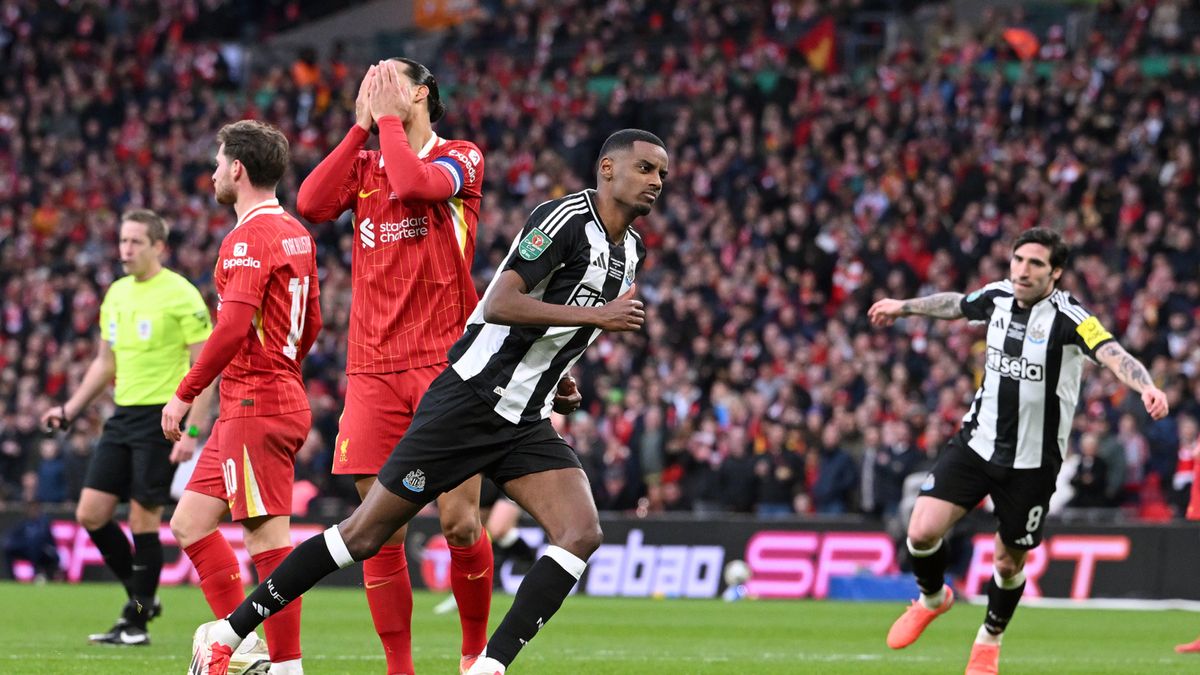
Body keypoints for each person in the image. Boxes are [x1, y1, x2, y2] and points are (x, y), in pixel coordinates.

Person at [188, 128, 667, 675]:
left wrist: (559, 375)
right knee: (365, 533)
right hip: (468, 403)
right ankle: (227, 633)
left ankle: (487, 667)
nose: (656, 182)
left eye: (662, 175)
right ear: (607, 170)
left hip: (524, 418)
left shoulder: (631, 250)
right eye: (647, 169)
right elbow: (502, 301)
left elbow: (559, 319)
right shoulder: (561, 221)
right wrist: (596, 318)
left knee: (581, 532)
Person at [867, 227, 1169, 674]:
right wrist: (904, 307)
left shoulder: (1070, 317)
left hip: (1032, 463)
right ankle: (933, 598)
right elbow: (956, 304)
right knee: (921, 532)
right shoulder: (998, 296)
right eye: (1018, 260)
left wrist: (1145, 385)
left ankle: (989, 639)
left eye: (1035, 264)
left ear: (1056, 272)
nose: (1023, 270)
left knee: (1008, 563)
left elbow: (1111, 352)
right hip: (977, 443)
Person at [294, 58, 491, 675]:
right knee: (377, 530)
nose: (375, 92)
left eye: (388, 82)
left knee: (459, 524)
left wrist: (384, 122)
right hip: (373, 367)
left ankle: (474, 655)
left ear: (422, 93)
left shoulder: (461, 155)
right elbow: (310, 202)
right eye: (368, 84)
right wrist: (360, 129)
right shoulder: (366, 159)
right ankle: (399, 669)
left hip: (446, 362)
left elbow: (414, 187)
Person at [163, 119, 322, 675]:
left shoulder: (247, 239)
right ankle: (247, 644)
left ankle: (286, 665)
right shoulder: (296, 232)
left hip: (258, 403)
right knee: (189, 523)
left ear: (237, 169)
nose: (211, 173)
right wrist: (286, 368)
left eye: (217, 162)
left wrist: (184, 394)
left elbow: (229, 330)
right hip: (257, 400)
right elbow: (315, 321)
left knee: (268, 543)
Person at [39, 208, 215, 646]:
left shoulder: (181, 294)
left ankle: (136, 620)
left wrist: (191, 434)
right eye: (122, 240)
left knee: (143, 518)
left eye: (135, 241)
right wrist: (72, 408)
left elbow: (204, 369)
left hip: (163, 416)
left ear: (158, 246)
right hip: (122, 415)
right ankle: (141, 597)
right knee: (90, 514)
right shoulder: (116, 294)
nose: (125, 249)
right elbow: (105, 361)